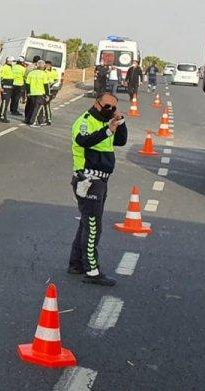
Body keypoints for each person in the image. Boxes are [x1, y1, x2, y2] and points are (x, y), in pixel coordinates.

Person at [68, 92, 128, 286]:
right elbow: (83, 141)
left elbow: (121, 141)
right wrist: (108, 130)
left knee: (86, 223)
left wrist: (120, 122)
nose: (109, 110)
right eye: (106, 106)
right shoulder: (85, 121)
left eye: (113, 107)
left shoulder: (107, 122)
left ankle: (76, 263)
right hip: (88, 180)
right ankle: (92, 271)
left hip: (101, 181)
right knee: (94, 227)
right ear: (97, 104)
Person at [25, 60, 49, 126]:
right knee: (37, 108)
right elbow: (46, 85)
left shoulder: (31, 73)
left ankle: (39, 120)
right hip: (40, 93)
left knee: (33, 107)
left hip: (32, 93)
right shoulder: (44, 74)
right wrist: (47, 95)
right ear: (43, 66)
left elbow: (27, 84)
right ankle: (32, 122)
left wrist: (28, 92)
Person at [0, 56, 16, 122]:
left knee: (7, 102)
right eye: (13, 61)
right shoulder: (3, 67)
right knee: (4, 102)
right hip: (5, 87)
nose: (14, 62)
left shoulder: (12, 67)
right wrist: (0, 87)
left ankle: (4, 115)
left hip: (10, 88)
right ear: (9, 61)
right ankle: (1, 116)